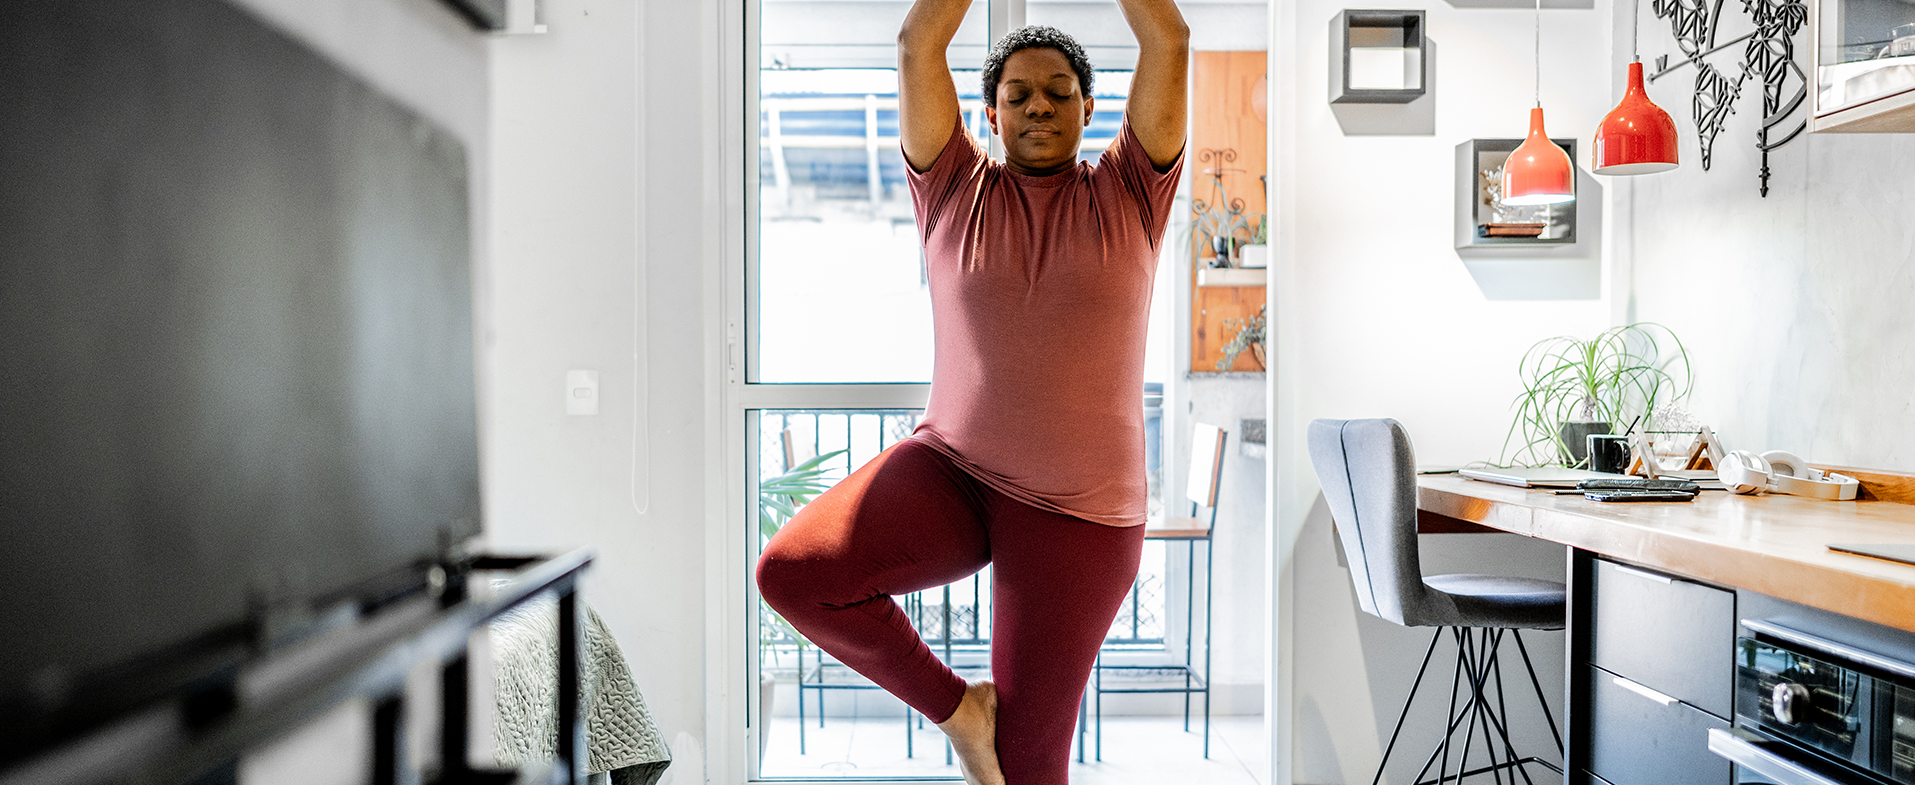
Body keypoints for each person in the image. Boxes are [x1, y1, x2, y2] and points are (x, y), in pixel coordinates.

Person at [755, 1, 1188, 782]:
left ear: (1091, 108)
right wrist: (951, 702)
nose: (1038, 107)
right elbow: (919, 39)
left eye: (1058, 92)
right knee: (793, 573)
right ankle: (962, 712)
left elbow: (1169, 36)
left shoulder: (1131, 191)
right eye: (1018, 94)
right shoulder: (953, 186)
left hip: (1080, 511)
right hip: (952, 469)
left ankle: (991, 733)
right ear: (987, 113)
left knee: (1027, 766)